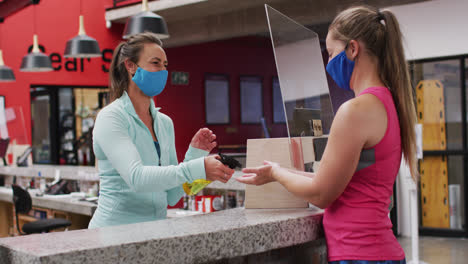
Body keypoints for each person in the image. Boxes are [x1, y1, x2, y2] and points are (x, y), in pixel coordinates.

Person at [237, 6, 417, 264]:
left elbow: (322, 193)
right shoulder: (387, 102)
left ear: (353, 49)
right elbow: (339, 181)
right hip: (378, 251)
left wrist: (277, 174)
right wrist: (277, 172)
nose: (329, 63)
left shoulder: (355, 110)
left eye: (332, 53)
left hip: (359, 254)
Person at [89, 32, 235, 228]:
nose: (162, 71)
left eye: (165, 65)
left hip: (154, 232)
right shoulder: (111, 117)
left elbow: (172, 196)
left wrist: (195, 155)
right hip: (113, 233)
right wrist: (198, 167)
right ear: (130, 66)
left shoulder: (164, 123)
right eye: (155, 63)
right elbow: (137, 178)